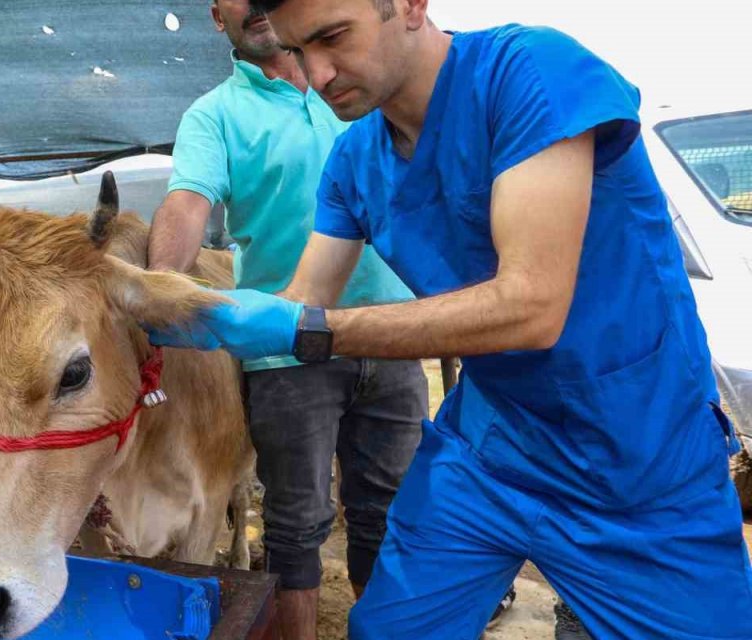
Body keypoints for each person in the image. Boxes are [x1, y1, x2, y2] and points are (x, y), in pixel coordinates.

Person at [146, 0, 752, 638]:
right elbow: (300, 300)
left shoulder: (529, 74)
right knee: (389, 626)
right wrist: (183, 306)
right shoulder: (356, 160)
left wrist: (309, 329)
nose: (317, 75)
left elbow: (531, 306)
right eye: (298, 51)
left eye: (332, 38)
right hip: (495, 443)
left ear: (409, 5)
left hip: (638, 450)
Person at [147, 2, 432, 638]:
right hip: (286, 353)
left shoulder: (357, 84)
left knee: (389, 513)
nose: (256, 4)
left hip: (396, 336)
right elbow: (188, 201)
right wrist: (161, 289)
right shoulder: (215, 114)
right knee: (297, 524)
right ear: (216, 16)